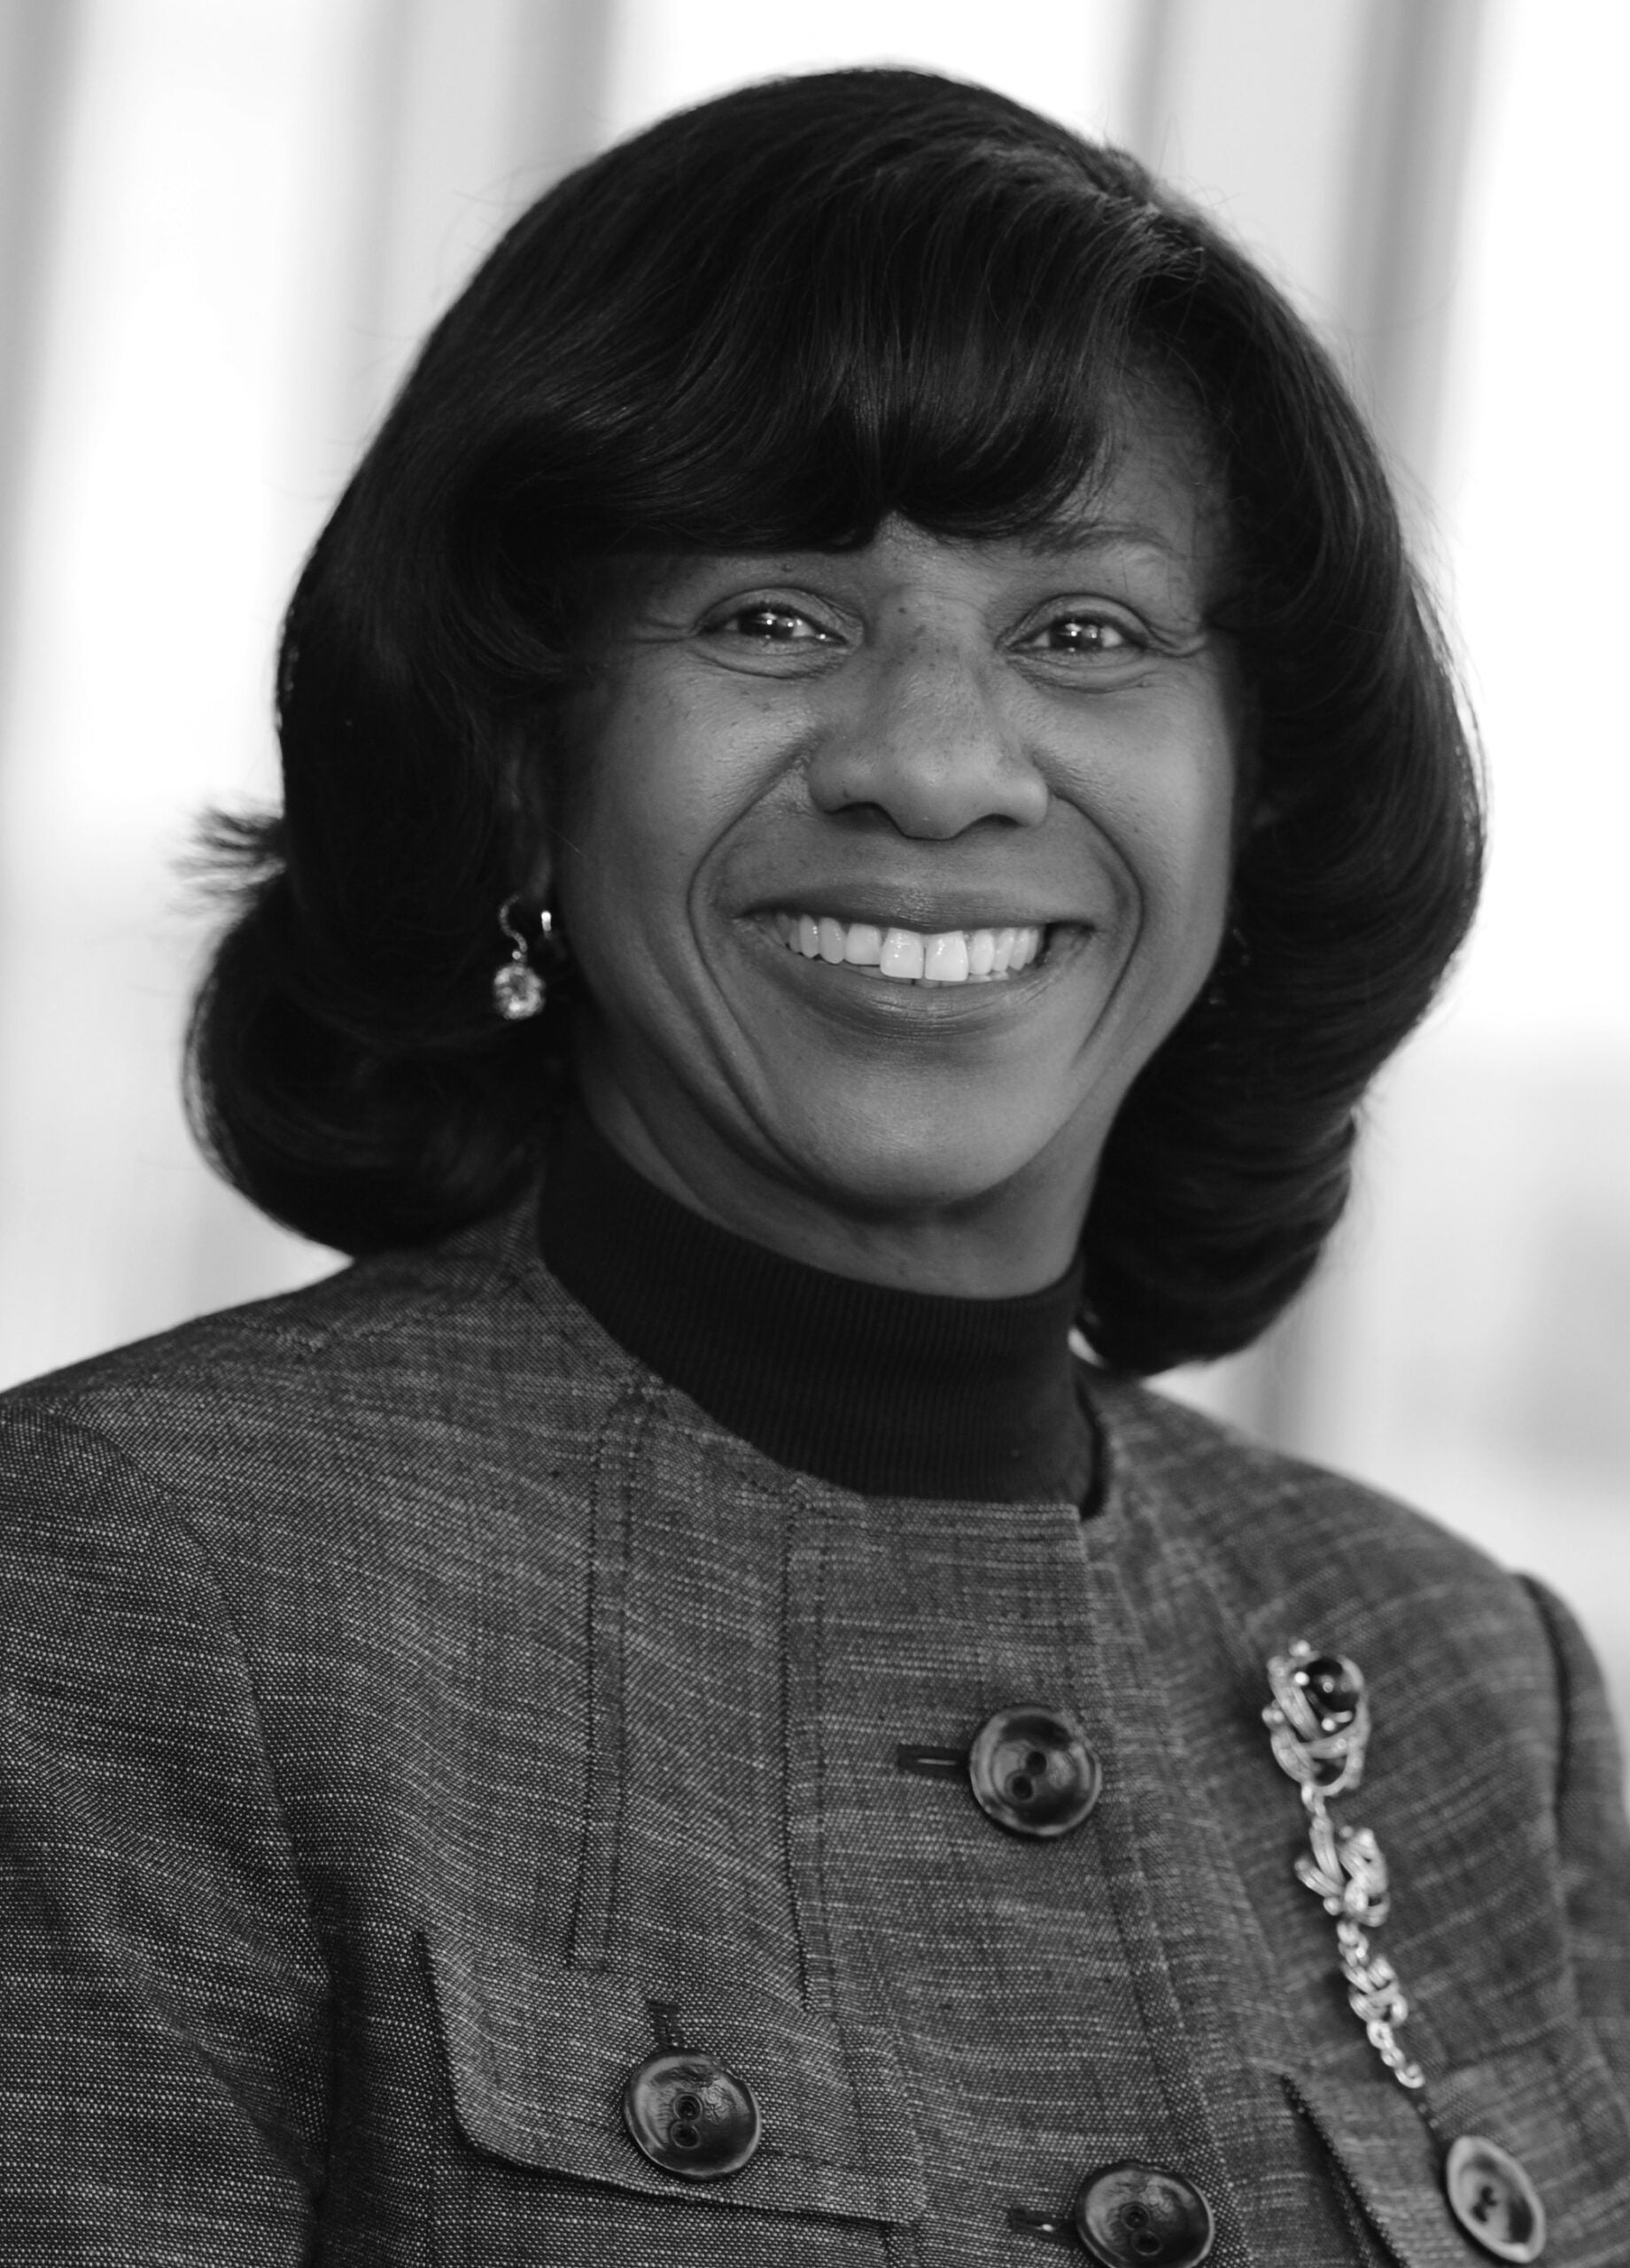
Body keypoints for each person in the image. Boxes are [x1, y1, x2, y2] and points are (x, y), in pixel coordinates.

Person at [1, 65, 1625, 2266]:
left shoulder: (1454, 1674)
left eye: (1084, 629)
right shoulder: (132, 1587)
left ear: (1263, 792)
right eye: (772, 617)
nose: (937, 766)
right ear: (519, 746)